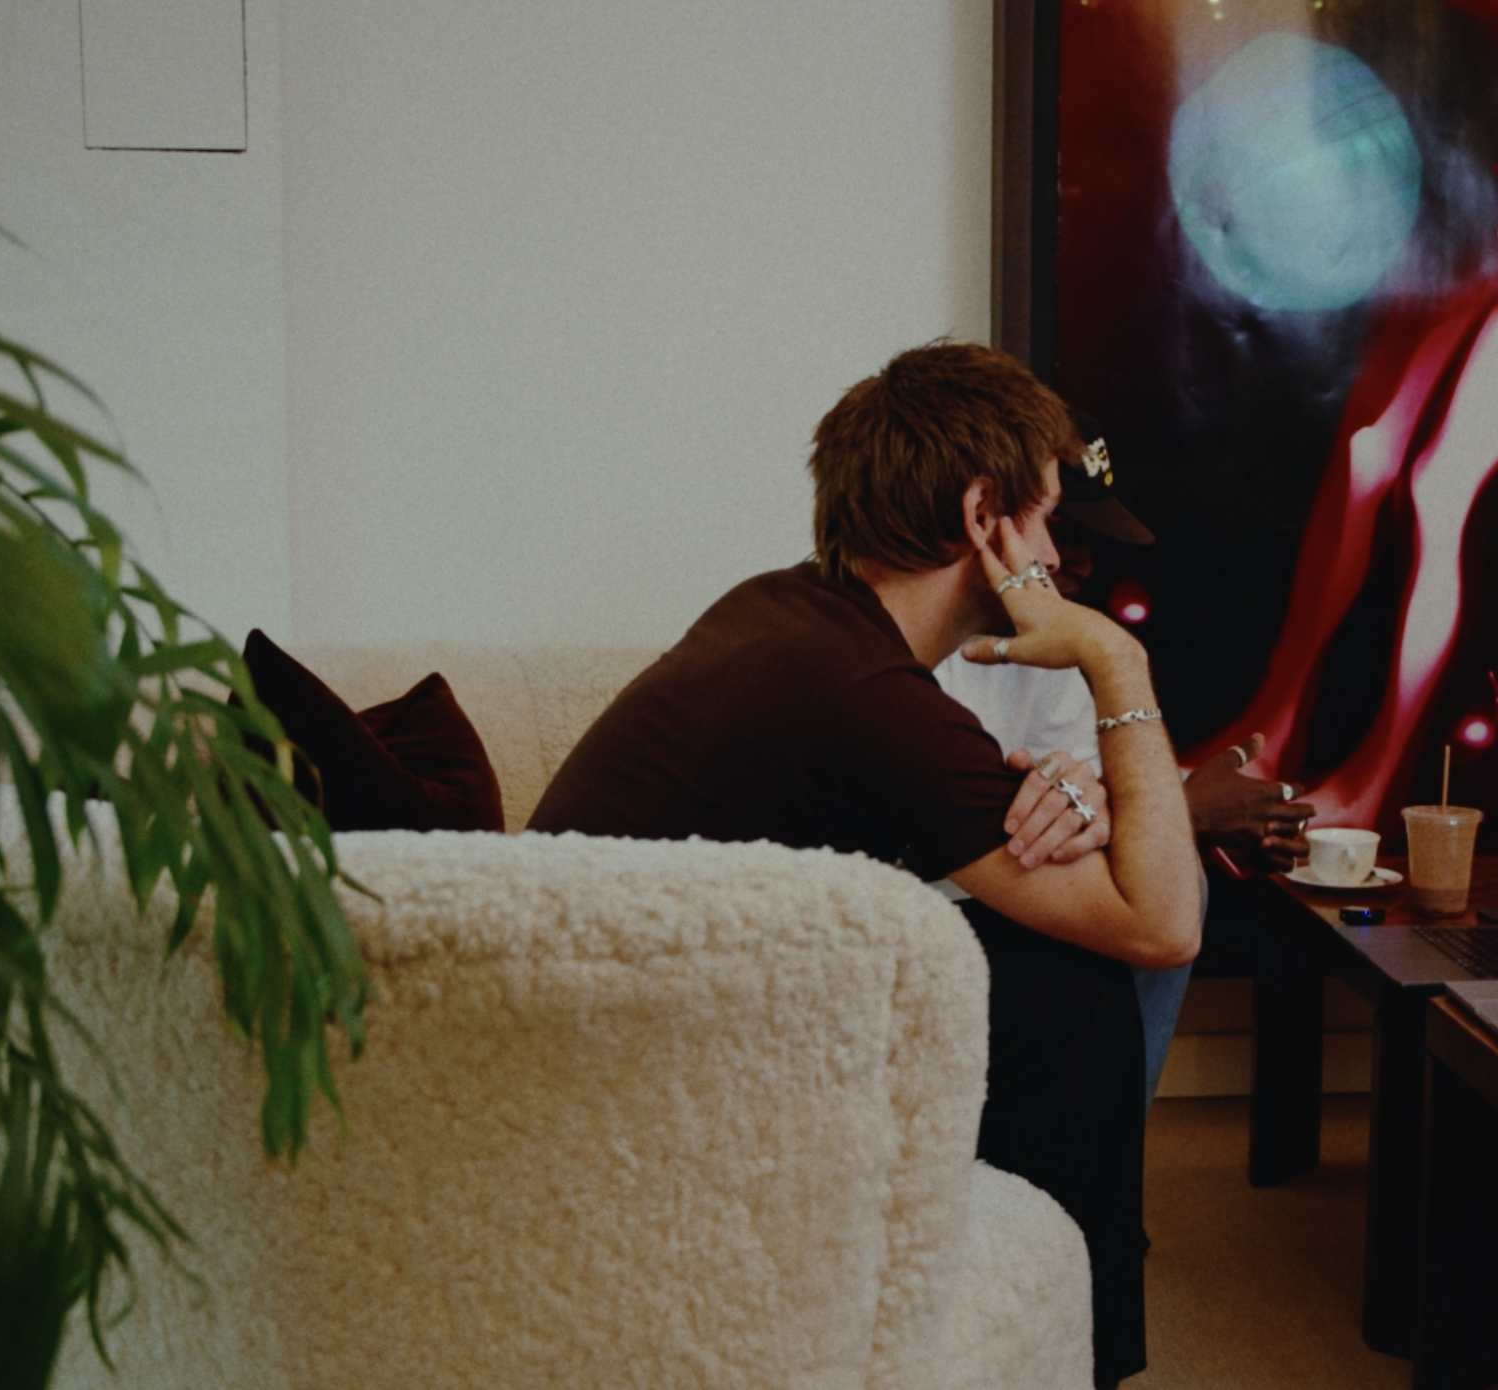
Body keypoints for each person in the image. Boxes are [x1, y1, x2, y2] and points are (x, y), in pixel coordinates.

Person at [530, 342, 1197, 1386]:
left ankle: (1051, 1305)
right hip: (627, 1089)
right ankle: (1069, 1346)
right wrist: (1117, 656)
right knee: (1069, 991)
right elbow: (1165, 927)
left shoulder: (790, 615)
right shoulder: (863, 698)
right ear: (985, 521)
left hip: (624, 1030)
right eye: (1048, 518)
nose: (1064, 556)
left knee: (1025, 967)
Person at [933, 412, 1315, 1109]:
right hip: (936, 915)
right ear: (986, 520)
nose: (1066, 560)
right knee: (1169, 881)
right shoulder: (931, 645)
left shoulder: (1053, 644)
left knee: (1165, 869)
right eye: (1060, 530)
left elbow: (1087, 788)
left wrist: (1175, 802)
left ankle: (1108, 1143)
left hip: (1006, 897)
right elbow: (999, 830)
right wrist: (1186, 809)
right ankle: (1105, 1139)